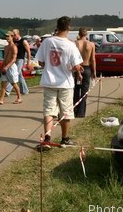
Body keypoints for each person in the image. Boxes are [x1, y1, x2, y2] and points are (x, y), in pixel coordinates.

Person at [35, 16, 83, 150]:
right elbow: (76, 66)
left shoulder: (47, 42)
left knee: (49, 111)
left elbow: (40, 62)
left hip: (50, 82)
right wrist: (76, 69)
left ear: (57, 26)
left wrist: (50, 65)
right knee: (66, 112)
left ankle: (47, 138)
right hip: (65, 83)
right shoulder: (70, 45)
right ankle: (65, 139)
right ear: (69, 28)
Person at [73, 27, 96, 117]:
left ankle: (74, 109)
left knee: (76, 90)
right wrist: (94, 71)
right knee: (84, 91)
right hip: (86, 68)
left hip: (77, 68)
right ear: (86, 34)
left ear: (79, 34)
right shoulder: (91, 44)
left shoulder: (75, 44)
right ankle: (81, 113)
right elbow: (93, 59)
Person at [0, 31, 22, 105]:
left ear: (12, 37)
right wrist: (2, 67)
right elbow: (5, 58)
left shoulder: (14, 47)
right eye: (6, 36)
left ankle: (19, 97)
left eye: (8, 36)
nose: (7, 38)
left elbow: (14, 59)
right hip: (5, 67)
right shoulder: (6, 47)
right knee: (3, 83)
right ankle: (1, 99)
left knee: (14, 83)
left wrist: (7, 67)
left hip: (11, 67)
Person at [6, 29, 31, 95]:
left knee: (15, 73)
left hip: (20, 59)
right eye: (13, 35)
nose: (14, 36)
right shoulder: (13, 41)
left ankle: (7, 90)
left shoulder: (23, 41)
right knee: (19, 74)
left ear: (18, 33)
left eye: (15, 34)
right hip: (13, 59)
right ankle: (25, 90)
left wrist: (28, 62)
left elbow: (28, 52)